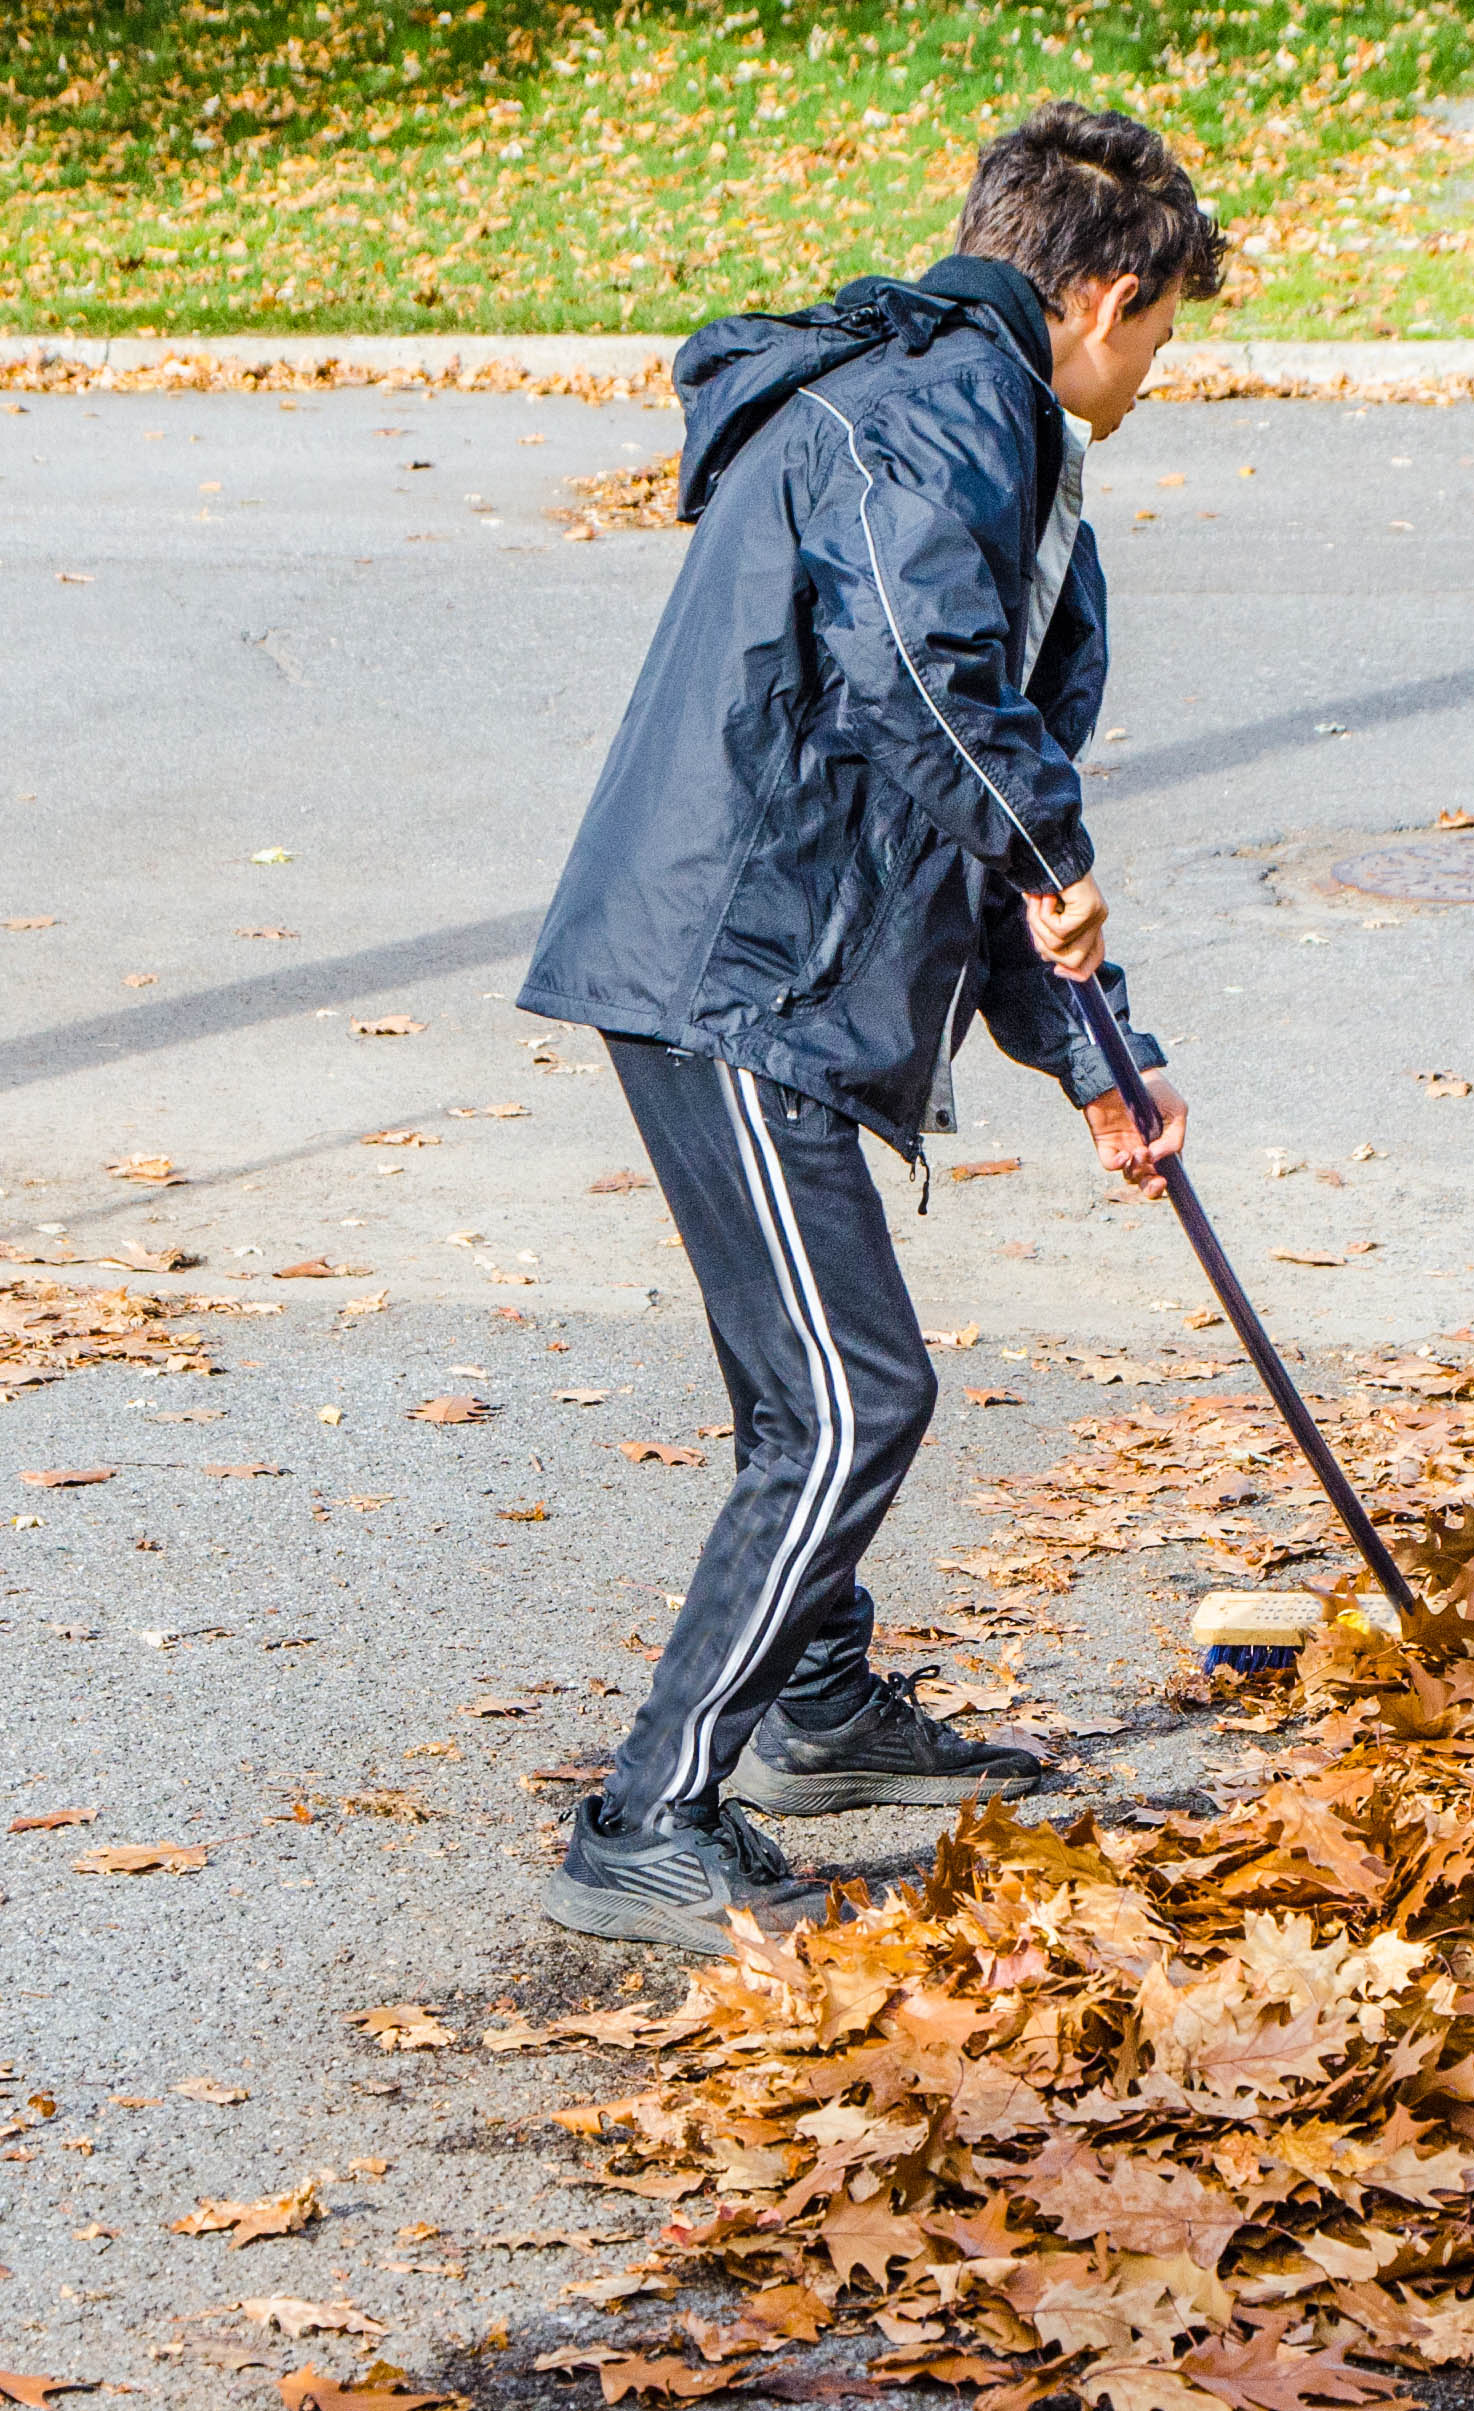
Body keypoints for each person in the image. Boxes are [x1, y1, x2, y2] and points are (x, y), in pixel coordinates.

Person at [515, 101, 1223, 1952]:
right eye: (1163, 337)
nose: (1157, 376)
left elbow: (964, 777)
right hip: (734, 967)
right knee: (851, 1400)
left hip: (765, 964)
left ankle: (817, 1709)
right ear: (1103, 295)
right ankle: (646, 1818)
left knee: (806, 1386)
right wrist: (1050, 841)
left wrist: (1096, 1060)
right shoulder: (944, 416)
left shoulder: (982, 439)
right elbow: (936, 688)